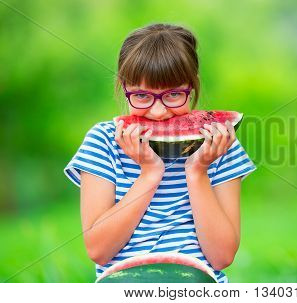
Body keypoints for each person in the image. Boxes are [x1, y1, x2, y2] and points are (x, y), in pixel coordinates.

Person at [63, 23, 257, 283]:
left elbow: (221, 257)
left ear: (193, 86)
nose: (158, 112)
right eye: (142, 96)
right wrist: (150, 173)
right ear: (124, 88)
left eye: (174, 94)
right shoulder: (103, 143)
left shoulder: (220, 145)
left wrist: (198, 172)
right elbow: (98, 250)